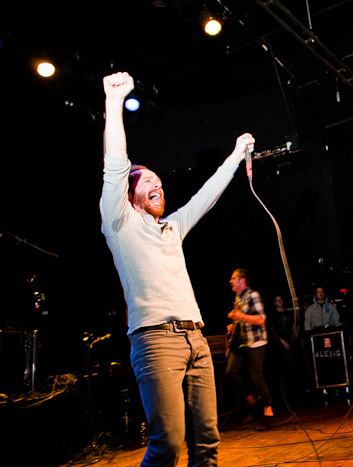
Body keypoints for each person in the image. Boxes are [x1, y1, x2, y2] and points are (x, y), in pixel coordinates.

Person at [100, 71, 254, 466]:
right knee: (167, 443)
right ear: (129, 195)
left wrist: (236, 155)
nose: (158, 184)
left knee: (208, 442)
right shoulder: (120, 223)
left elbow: (206, 196)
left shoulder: (172, 227)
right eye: (147, 181)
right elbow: (115, 165)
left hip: (196, 339)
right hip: (155, 340)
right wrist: (114, 103)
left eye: (160, 181)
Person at [224, 269, 274, 430]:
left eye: (233, 278)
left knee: (256, 377)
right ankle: (253, 402)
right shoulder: (238, 298)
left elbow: (260, 319)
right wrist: (234, 325)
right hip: (243, 342)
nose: (230, 281)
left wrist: (240, 317)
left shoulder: (253, 295)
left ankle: (268, 413)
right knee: (231, 372)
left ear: (242, 280)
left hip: (257, 341)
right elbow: (244, 319)